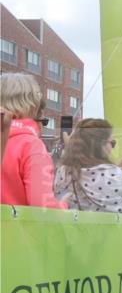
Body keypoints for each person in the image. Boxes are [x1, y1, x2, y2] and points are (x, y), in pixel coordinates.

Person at [53, 118, 122, 213]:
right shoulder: (111, 175)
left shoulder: (62, 172)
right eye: (112, 143)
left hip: (71, 229)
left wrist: (117, 168)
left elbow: (94, 179)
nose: (113, 147)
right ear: (100, 145)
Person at [0, 73, 65, 208]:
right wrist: (64, 205)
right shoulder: (31, 146)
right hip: (15, 222)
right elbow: (43, 207)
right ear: (33, 106)